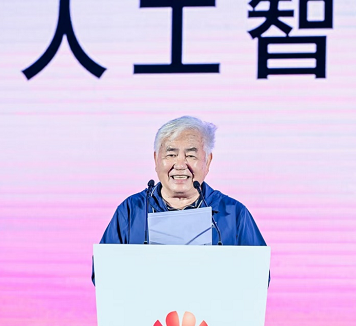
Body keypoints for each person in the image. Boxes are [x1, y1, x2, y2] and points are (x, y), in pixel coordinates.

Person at [92, 116, 266, 284]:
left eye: (191, 155)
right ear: (156, 159)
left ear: (208, 161)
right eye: (171, 154)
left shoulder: (234, 214)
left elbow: (259, 277)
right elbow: (102, 274)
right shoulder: (131, 211)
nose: (180, 165)